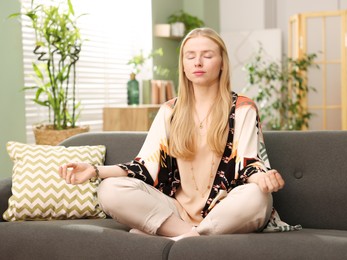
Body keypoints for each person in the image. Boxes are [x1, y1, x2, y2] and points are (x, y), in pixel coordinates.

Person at [58, 27, 285, 240]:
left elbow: (248, 163)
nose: (198, 62)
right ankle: (192, 236)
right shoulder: (169, 111)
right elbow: (145, 166)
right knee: (109, 188)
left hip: (226, 208)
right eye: (190, 56)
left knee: (257, 198)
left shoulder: (243, 108)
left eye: (207, 55)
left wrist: (262, 179)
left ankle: (178, 238)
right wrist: (95, 171)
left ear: (222, 63)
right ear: (183, 65)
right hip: (175, 211)